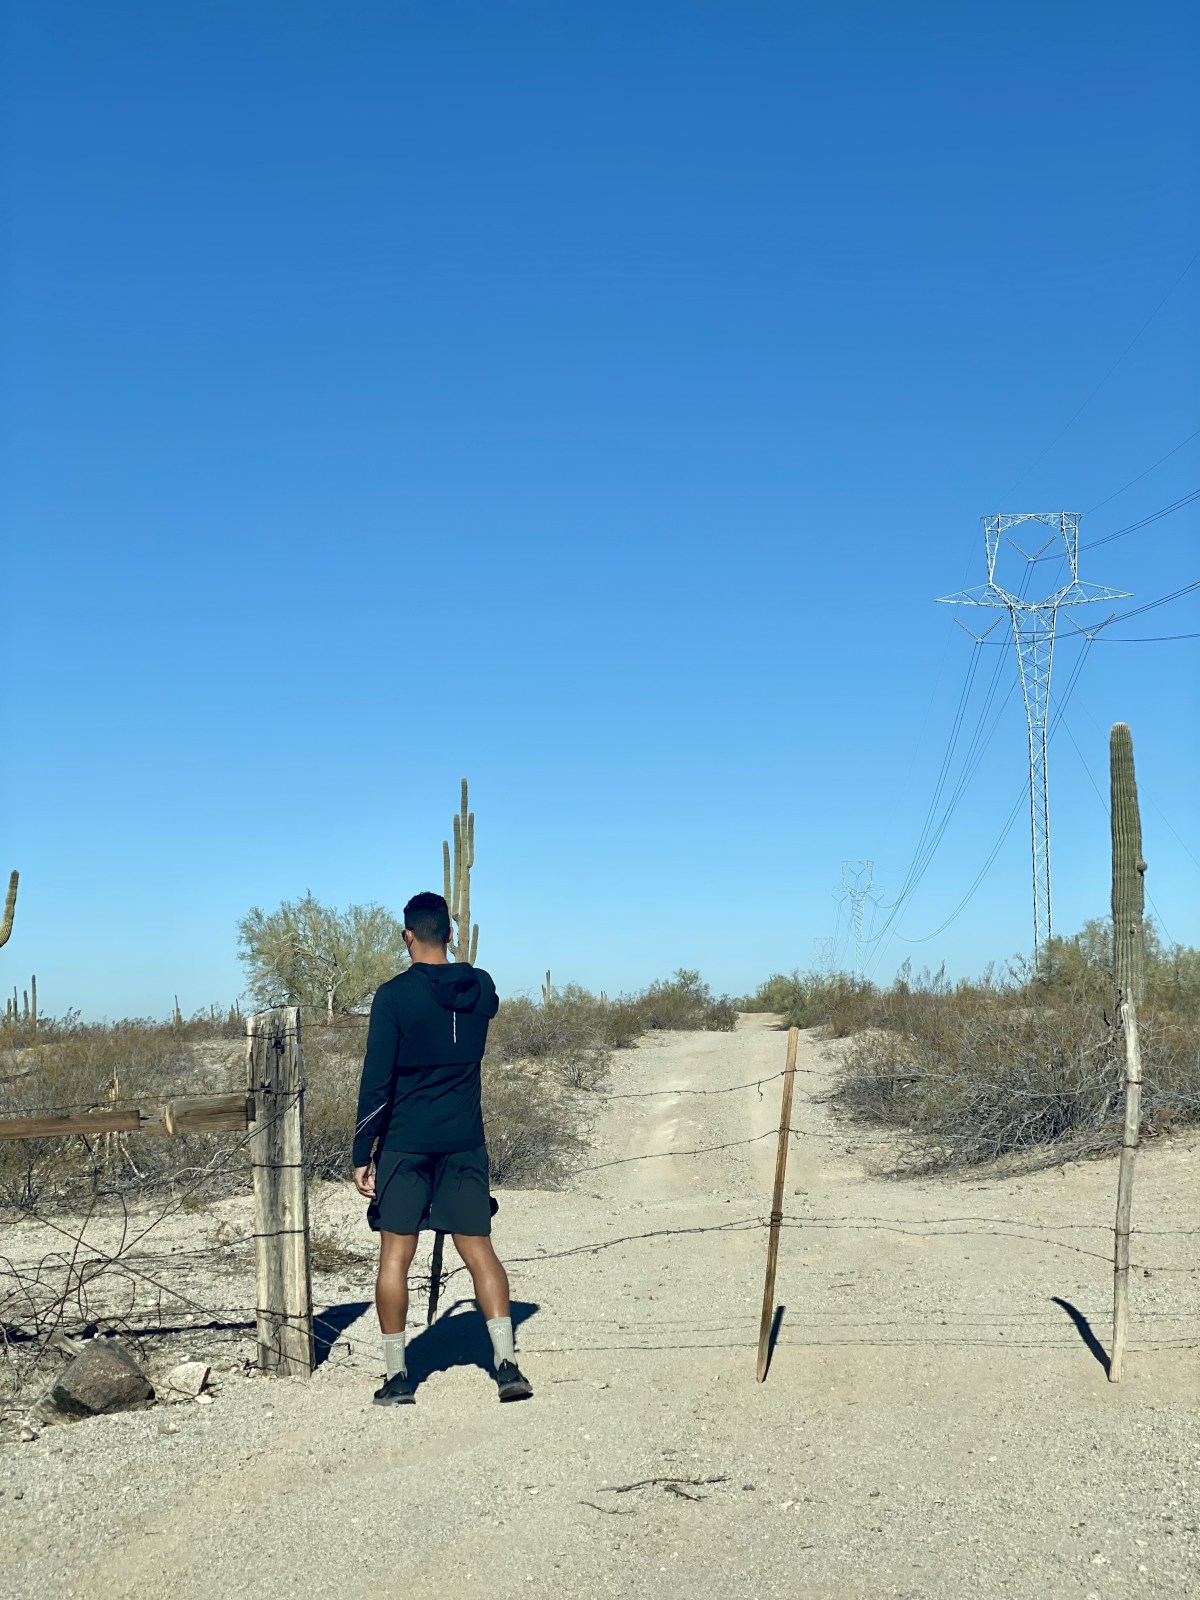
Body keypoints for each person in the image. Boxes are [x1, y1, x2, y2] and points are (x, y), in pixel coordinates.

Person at [352, 890, 532, 1406]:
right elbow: (487, 1002)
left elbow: (376, 1081)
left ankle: (398, 1376)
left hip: (406, 1143)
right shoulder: (481, 986)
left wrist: (363, 1151)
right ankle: (505, 1365)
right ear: (450, 935)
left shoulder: (393, 997)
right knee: (478, 1248)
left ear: (407, 936)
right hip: (464, 1141)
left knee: (395, 1254)